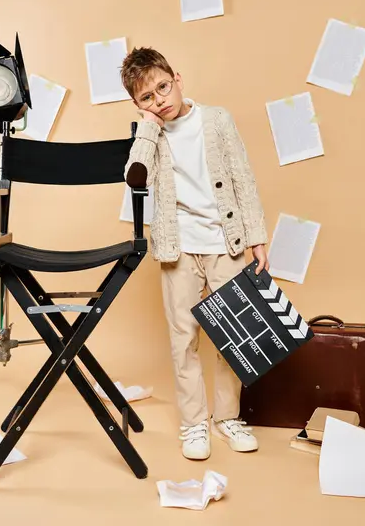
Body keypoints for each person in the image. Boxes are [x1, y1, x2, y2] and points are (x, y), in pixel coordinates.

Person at [121, 47, 269, 460]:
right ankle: (193, 424)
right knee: (183, 339)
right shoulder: (151, 133)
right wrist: (148, 127)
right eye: (146, 98)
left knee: (233, 336)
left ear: (178, 78)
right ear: (137, 104)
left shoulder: (216, 119)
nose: (160, 100)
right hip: (178, 248)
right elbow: (135, 175)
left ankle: (227, 417)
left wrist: (257, 235)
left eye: (163, 88)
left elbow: (243, 176)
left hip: (228, 242)